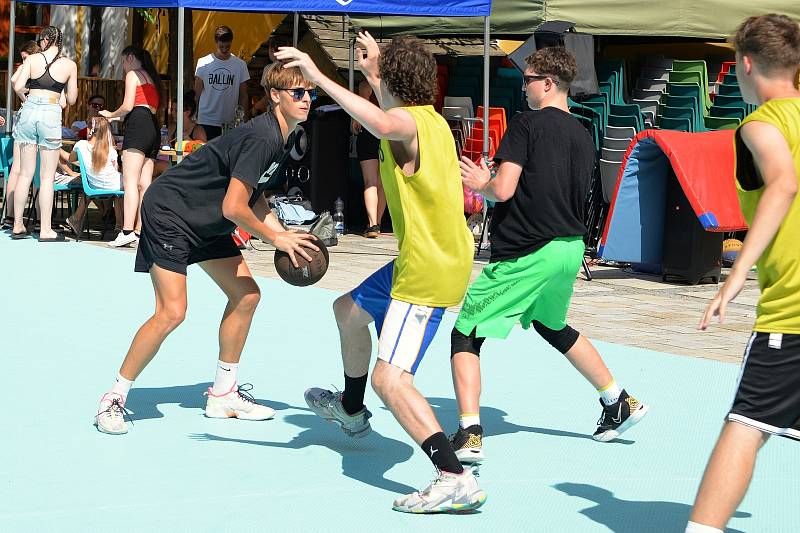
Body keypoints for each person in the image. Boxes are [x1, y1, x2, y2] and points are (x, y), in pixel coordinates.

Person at [276, 34, 486, 513]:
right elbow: (390, 109)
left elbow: (382, 118)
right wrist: (373, 70)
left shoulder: (404, 124)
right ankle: (351, 411)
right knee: (348, 312)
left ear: (394, 83)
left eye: (382, 78)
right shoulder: (429, 118)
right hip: (427, 255)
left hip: (428, 269)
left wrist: (317, 76)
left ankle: (453, 476)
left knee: (391, 380)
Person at [93, 62, 318, 436]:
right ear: (275, 96)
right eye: (298, 93)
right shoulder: (263, 136)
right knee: (171, 312)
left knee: (246, 295)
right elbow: (234, 207)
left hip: (207, 220)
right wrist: (275, 238)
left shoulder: (284, 137)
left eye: (310, 93)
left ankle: (223, 393)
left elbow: (254, 194)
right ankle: (113, 397)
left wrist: (283, 232)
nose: (306, 99)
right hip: (171, 213)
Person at [452, 47, 649, 463]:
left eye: (528, 80)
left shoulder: (525, 126)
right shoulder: (581, 133)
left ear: (547, 83)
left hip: (529, 251)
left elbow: (502, 190)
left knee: (466, 332)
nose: (523, 87)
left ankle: (469, 432)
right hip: (568, 250)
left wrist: (480, 180)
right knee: (550, 325)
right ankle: (619, 402)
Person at [687, 14, 800, 533]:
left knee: (745, 424)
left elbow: (782, 183)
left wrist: (736, 276)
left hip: (791, 312)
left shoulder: (760, 125)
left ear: (745, 65)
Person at [11, 26, 78, 242]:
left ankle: (18, 225)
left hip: (29, 110)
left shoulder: (32, 60)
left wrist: (35, 93)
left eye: (40, 40)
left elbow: (18, 85)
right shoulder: (69, 65)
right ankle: (46, 229)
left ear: (46, 39)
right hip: (50, 112)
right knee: (47, 176)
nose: (39, 43)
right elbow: (72, 99)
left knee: (24, 173)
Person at [100, 45, 161, 248]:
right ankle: (140, 229)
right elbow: (142, 106)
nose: (123, 66)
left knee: (130, 182)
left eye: (123, 61)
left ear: (130, 58)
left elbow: (127, 106)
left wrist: (110, 114)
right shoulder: (152, 78)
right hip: (153, 126)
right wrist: (116, 115)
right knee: (145, 184)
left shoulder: (134, 74)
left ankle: (126, 231)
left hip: (138, 125)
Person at [1, 39, 39, 231]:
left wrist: (24, 97)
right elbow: (15, 81)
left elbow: (15, 80)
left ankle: (10, 217)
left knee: (18, 170)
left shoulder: (30, 65)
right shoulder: (40, 63)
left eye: (26, 57)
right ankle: (40, 220)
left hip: (24, 118)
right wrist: (28, 96)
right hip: (37, 116)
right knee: (37, 171)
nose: (24, 61)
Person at [64, 117, 123, 235]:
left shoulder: (80, 145)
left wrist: (86, 165)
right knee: (129, 188)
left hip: (92, 186)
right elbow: (115, 169)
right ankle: (120, 225)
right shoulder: (110, 150)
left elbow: (71, 159)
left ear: (90, 129)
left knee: (96, 186)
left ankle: (76, 219)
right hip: (114, 185)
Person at [194, 26, 250, 140]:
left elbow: (244, 95)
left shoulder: (240, 65)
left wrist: (245, 120)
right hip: (206, 120)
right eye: (221, 47)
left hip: (229, 121)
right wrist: (193, 116)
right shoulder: (203, 63)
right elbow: (196, 94)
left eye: (227, 47)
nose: (224, 50)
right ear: (216, 43)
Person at [352, 79, 385, 238]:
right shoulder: (391, 84)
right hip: (387, 134)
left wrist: (354, 122)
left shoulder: (366, 85)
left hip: (369, 133)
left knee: (370, 181)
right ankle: (377, 223)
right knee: (383, 183)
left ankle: (372, 224)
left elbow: (361, 111)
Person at [153, 93, 207, 178]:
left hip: (191, 167)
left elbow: (204, 152)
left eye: (176, 110)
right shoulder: (173, 127)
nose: (173, 113)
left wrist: (190, 141)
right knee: (152, 165)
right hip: (175, 163)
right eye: (173, 110)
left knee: (157, 166)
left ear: (187, 112)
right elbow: (166, 145)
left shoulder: (198, 130)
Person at [253, 35, 290, 117]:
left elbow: (268, 96)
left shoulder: (269, 69)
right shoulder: (292, 68)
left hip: (274, 113)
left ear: (272, 50)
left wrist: (256, 107)